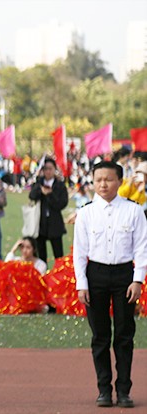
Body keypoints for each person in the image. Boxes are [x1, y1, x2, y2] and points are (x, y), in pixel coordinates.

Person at [74, 161, 147, 408]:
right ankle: (103, 390)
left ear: (120, 181)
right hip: (95, 275)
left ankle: (124, 390)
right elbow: (79, 251)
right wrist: (82, 283)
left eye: (108, 179)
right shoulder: (85, 212)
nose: (103, 184)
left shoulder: (134, 211)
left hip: (124, 275)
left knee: (124, 335)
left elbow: (142, 247)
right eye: (98, 180)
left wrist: (138, 279)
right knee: (100, 336)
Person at [29, 158, 69, 264]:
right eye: (45, 169)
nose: (48, 171)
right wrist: (40, 191)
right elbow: (31, 196)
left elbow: (62, 203)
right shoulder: (39, 183)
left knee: (58, 256)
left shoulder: (59, 185)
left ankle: (59, 273)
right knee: (41, 256)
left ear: (55, 169)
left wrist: (50, 194)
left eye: (50, 169)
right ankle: (42, 273)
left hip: (55, 223)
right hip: (40, 223)